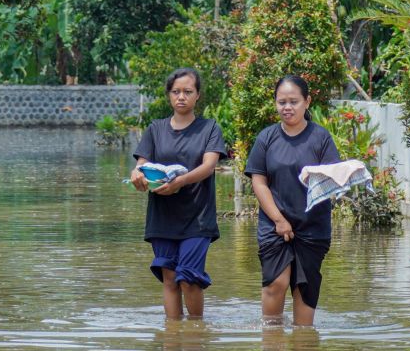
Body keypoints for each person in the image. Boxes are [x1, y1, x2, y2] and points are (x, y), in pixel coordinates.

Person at [130, 67, 227, 320]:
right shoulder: (155, 129)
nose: (181, 96)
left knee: (190, 278)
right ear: (169, 96)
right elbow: (142, 163)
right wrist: (137, 175)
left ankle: (196, 334)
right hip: (162, 216)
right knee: (170, 278)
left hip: (198, 216)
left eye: (187, 91)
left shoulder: (209, 128)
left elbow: (209, 166)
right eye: (176, 92)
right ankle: (172, 340)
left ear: (198, 96)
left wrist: (180, 182)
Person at [244, 75, 340, 326]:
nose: (287, 107)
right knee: (277, 282)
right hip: (274, 223)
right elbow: (258, 181)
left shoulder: (321, 138)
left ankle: (303, 350)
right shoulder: (266, 138)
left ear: (307, 102)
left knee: (304, 288)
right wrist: (278, 219)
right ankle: (272, 347)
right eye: (281, 102)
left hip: (312, 225)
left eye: (294, 101)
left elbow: (333, 176)